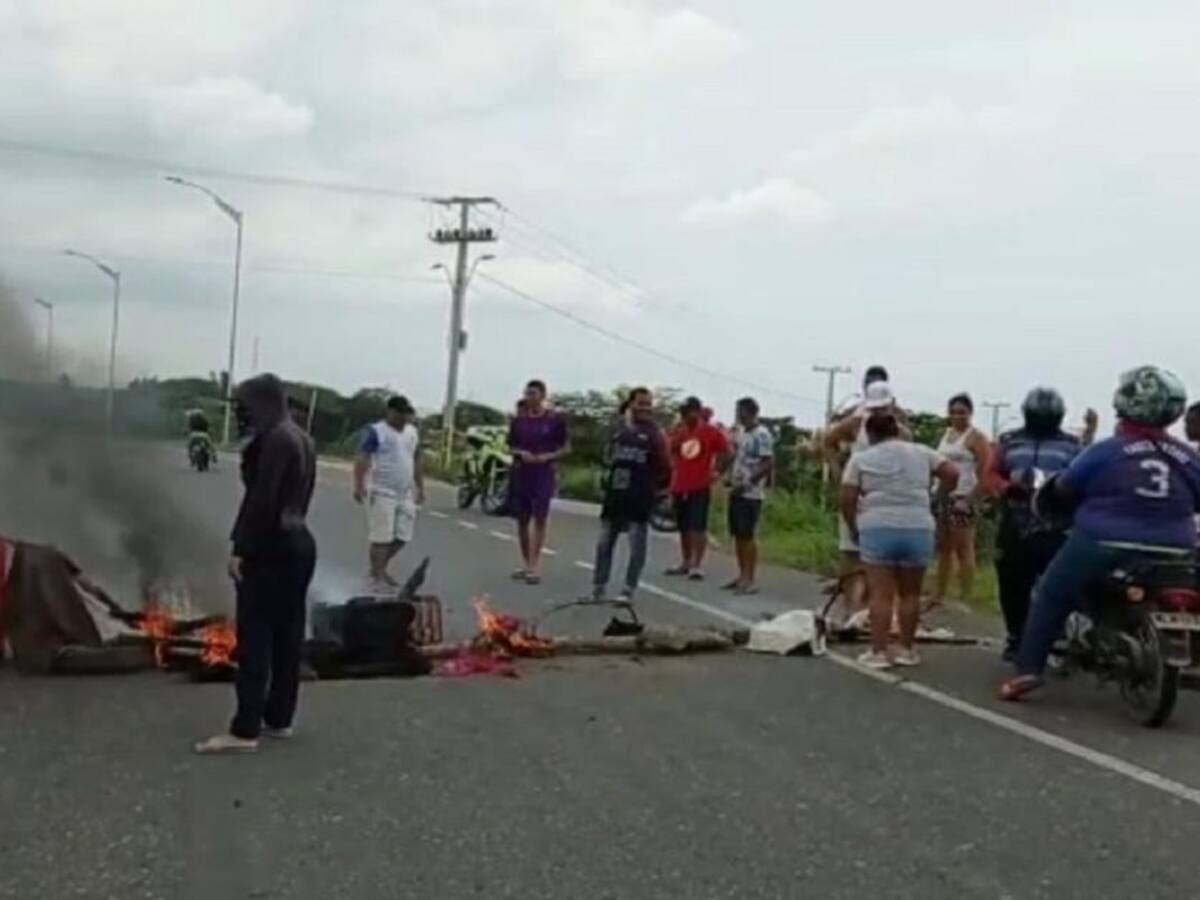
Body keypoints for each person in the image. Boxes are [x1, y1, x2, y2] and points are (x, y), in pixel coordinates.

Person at [1001, 366, 1200, 701]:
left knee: (1050, 592)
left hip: (1103, 540)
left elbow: (1063, 488)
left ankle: (1028, 670)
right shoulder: (1187, 455)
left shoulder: (1107, 450)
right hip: (1176, 545)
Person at [195, 373, 317, 754]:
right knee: (288, 635)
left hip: (271, 546)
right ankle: (279, 718)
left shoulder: (276, 440)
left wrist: (240, 548)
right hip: (299, 543)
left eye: (245, 406)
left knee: (256, 638)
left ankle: (244, 728)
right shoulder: (302, 437)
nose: (242, 414)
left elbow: (261, 501)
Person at [841, 412, 959, 669]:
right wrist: (937, 497)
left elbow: (847, 498)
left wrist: (854, 527)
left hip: (878, 525)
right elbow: (951, 472)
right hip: (917, 524)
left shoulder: (860, 459)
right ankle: (906, 649)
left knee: (881, 595)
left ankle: (879, 652)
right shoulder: (921, 451)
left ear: (870, 434)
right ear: (895, 430)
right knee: (911, 593)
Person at [986, 387, 1092, 660]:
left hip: (1056, 525)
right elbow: (990, 473)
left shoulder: (1072, 445)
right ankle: (1016, 636)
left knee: (1057, 584)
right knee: (1011, 582)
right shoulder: (1010, 441)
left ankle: (1056, 635)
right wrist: (1006, 488)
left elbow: (1083, 480)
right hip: (1016, 521)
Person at [822, 377, 907, 620]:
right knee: (851, 550)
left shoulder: (901, 429)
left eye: (883, 408)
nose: (878, 413)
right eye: (874, 408)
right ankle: (851, 606)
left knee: (880, 554)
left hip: (885, 498)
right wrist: (839, 474)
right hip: (858, 493)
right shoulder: (856, 424)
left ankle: (872, 607)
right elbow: (827, 441)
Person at [586, 387, 672, 601]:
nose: (645, 408)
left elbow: (665, 466)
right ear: (630, 404)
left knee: (636, 545)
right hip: (615, 495)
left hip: (640, 496)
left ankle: (628, 589)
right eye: (640, 403)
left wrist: (661, 491)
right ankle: (599, 587)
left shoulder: (655, 433)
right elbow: (605, 459)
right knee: (605, 542)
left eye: (648, 403)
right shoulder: (617, 430)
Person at [353, 396, 425, 590]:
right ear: (391, 412)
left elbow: (416, 459)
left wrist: (420, 486)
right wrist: (358, 485)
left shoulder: (412, 433)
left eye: (407, 414)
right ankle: (377, 574)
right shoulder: (376, 432)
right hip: (381, 490)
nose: (404, 418)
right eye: (400, 414)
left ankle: (379, 568)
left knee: (402, 536)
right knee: (381, 536)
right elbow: (363, 458)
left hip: (404, 492)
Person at [508, 379, 570, 585]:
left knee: (540, 518)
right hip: (522, 471)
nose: (529, 398)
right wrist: (521, 453)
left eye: (533, 394)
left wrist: (548, 456)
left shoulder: (554, 421)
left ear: (543, 396)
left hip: (544, 472)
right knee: (522, 520)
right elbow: (510, 446)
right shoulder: (519, 421)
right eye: (527, 394)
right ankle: (526, 562)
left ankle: (534, 565)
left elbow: (566, 448)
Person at [931, 393, 990, 607]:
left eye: (962, 412)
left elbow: (986, 470)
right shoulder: (946, 435)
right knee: (944, 546)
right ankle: (940, 593)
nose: (957, 416)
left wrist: (973, 499)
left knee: (964, 546)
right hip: (943, 493)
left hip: (964, 495)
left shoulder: (976, 437)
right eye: (954, 412)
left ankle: (965, 595)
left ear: (970, 413)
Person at [665, 396, 730, 580]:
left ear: (698, 412)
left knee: (698, 526)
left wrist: (717, 472)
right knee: (683, 526)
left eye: (691, 413)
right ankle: (686, 561)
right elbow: (672, 451)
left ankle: (697, 564)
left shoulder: (710, 432)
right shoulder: (681, 432)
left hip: (700, 484)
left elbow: (727, 451)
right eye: (685, 414)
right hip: (680, 484)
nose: (688, 417)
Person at [725, 396, 774, 595]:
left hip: (750, 494)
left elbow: (767, 463)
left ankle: (750, 578)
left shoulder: (762, 434)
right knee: (737, 534)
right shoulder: (743, 434)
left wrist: (747, 483)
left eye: (740, 411)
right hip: (737, 490)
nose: (738, 415)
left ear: (749, 412)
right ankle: (741, 574)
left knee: (747, 535)